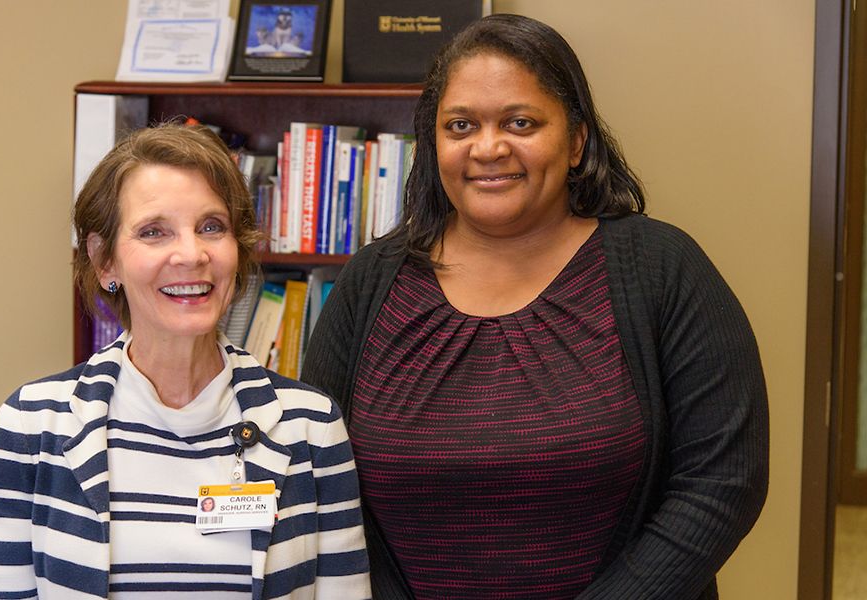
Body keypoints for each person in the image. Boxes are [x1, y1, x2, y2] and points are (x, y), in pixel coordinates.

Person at [300, 14, 768, 600]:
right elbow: (321, 478)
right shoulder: (371, 282)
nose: (489, 147)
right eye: (461, 125)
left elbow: (724, 481)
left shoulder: (663, 269)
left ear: (575, 140)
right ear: (434, 143)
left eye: (520, 122)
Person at [0, 123, 370, 599]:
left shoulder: (311, 427)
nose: (191, 254)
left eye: (211, 227)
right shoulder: (33, 425)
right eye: (154, 232)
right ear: (105, 261)